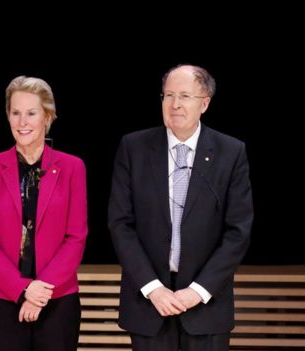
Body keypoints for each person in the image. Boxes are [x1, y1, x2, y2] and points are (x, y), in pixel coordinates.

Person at [108, 64, 253, 351]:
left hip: (205, 308)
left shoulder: (231, 152)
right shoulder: (133, 147)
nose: (174, 104)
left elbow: (238, 231)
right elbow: (120, 223)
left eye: (185, 96)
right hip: (149, 305)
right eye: (168, 95)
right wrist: (153, 288)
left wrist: (197, 292)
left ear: (205, 103)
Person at [0, 76, 88, 351]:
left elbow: (76, 237)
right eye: (16, 113)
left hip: (58, 298)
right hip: (1, 298)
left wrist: (39, 291)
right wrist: (22, 289)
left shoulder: (73, 168)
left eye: (31, 113)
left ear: (47, 116)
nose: (22, 122)